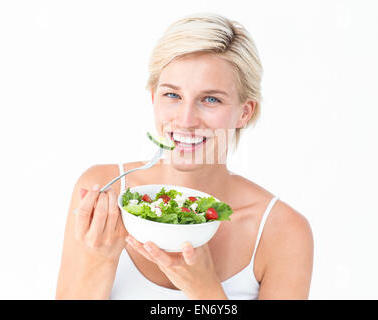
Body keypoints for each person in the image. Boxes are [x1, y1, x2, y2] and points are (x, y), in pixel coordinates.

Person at [56, 12, 313, 300]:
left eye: (211, 99)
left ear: (245, 111)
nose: (186, 119)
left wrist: (205, 290)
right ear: (153, 97)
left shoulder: (282, 231)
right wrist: (100, 260)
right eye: (173, 95)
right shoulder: (105, 189)